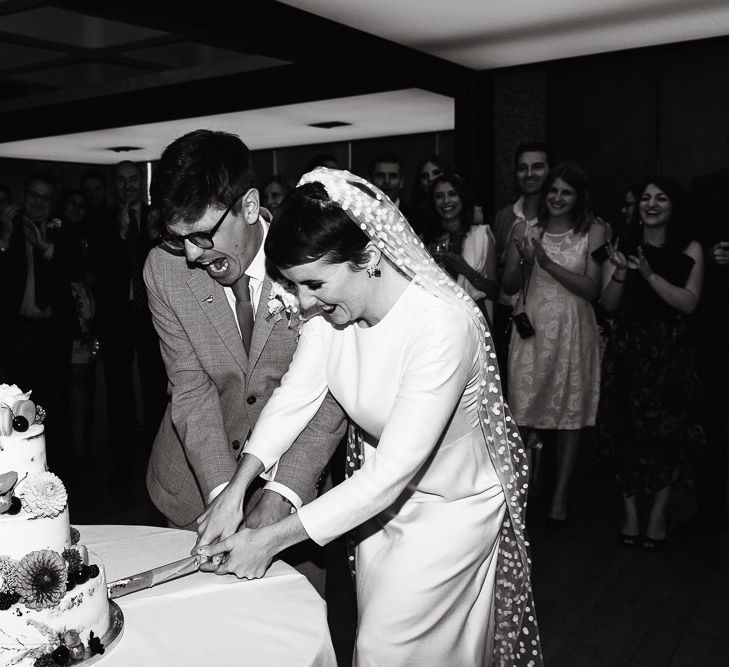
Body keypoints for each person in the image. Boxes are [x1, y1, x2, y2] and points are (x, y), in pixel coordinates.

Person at [195, 168, 541, 666]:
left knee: (389, 649)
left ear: (369, 256)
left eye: (314, 283)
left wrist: (268, 539)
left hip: (454, 509)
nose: (304, 302)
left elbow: (388, 474)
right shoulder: (332, 311)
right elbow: (296, 395)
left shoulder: (443, 326)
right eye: (295, 286)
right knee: (377, 642)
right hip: (381, 508)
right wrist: (236, 489)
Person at [144, 130, 346, 594]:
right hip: (191, 489)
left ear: (250, 207)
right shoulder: (164, 268)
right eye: (179, 238)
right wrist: (222, 494)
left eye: (201, 234)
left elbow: (332, 396)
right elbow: (190, 388)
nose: (193, 255)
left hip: (293, 492)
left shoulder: (314, 262)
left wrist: (278, 497)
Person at [599, 177, 705, 548]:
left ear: (673, 205)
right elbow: (608, 304)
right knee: (623, 431)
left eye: (661, 198)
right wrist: (623, 273)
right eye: (645, 198)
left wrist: (650, 276)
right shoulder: (622, 244)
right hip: (628, 348)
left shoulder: (689, 247)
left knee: (667, 434)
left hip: (668, 351)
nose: (652, 204)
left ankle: (658, 515)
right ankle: (630, 515)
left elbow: (689, 302)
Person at [503, 162, 606, 526]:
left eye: (566, 192)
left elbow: (592, 289)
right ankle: (520, 496)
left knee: (569, 418)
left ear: (578, 197)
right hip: (532, 331)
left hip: (573, 330)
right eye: (553, 191)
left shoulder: (594, 232)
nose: (558, 198)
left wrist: (546, 262)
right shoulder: (524, 228)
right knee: (523, 413)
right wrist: (527, 263)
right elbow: (510, 283)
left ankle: (560, 497)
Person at [91, 160, 166, 486]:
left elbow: (164, 264)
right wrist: (120, 236)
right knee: (117, 392)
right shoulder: (100, 219)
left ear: (141, 182)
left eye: (133, 179)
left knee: (155, 390)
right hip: (116, 318)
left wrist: (151, 238)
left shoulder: (156, 215)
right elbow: (98, 270)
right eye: (120, 181)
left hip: (152, 317)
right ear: (114, 185)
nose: (127, 186)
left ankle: (158, 463)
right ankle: (121, 465)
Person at [0, 173, 80, 470]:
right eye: (34, 195)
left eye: (45, 197)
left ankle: (58, 468)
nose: (38, 202)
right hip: (17, 333)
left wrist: (48, 249)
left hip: (52, 333)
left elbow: (78, 270)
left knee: (55, 404)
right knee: (17, 404)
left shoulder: (63, 230)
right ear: (24, 197)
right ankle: (21, 468)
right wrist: (5, 239)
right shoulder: (9, 229)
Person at [688, 163, 729, 532]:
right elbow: (688, 243)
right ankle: (711, 509)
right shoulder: (707, 187)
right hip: (717, 325)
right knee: (714, 416)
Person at [492, 143, 550, 371]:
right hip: (510, 315)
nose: (529, 174)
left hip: (549, 315)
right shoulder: (504, 217)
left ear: (550, 170)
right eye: (522, 168)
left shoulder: (561, 216)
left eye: (537, 167)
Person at [428, 172, 497, 322]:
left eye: (452, 194)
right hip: (438, 317)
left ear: (462, 198)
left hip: (474, 318)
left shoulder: (482, 235)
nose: (446, 201)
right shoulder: (428, 239)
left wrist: (465, 269)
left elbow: (493, 291)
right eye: (439, 196)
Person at [408, 154, 453, 244]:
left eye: (436, 173)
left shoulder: (455, 205)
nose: (430, 179)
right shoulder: (413, 215)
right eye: (425, 176)